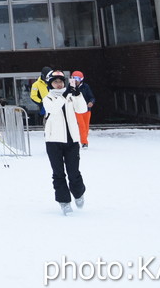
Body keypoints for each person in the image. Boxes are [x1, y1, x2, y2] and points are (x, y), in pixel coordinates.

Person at [42, 70, 88, 215]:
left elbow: (82, 109)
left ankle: (79, 193)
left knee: (74, 172)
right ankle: (64, 202)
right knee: (58, 173)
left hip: (72, 140)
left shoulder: (69, 96)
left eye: (61, 81)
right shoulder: (48, 98)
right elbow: (54, 109)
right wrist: (65, 94)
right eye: (55, 82)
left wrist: (76, 94)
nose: (59, 84)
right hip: (53, 141)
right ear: (50, 84)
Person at [70, 71, 95, 148]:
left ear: (81, 79)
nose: (76, 80)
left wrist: (91, 102)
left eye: (78, 78)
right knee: (81, 125)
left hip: (86, 110)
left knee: (86, 126)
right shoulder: (70, 87)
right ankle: (84, 142)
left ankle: (83, 139)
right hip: (76, 110)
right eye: (74, 78)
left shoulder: (85, 87)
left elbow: (91, 97)